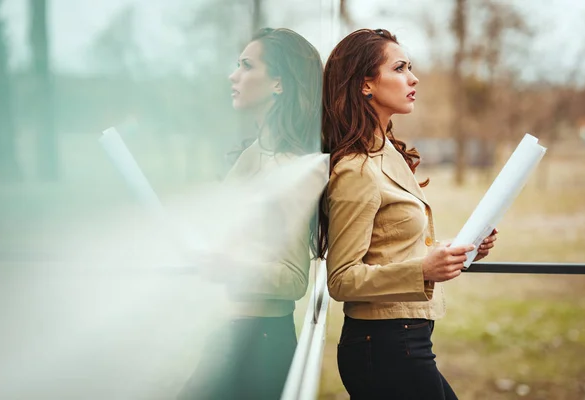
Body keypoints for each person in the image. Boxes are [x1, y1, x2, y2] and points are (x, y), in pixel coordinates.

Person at [317, 28, 498, 399]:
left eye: (410, 67)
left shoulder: (388, 153)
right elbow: (340, 279)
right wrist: (423, 270)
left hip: (406, 341)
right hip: (383, 347)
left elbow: (391, 245)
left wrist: (461, 249)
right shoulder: (356, 168)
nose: (413, 78)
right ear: (366, 85)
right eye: (399, 68)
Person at [177, 27, 325, 400]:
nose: (234, 76)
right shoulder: (250, 156)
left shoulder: (295, 168)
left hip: (261, 345)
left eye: (247, 66)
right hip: (230, 336)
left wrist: (228, 266)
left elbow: (294, 280)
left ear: (279, 83)